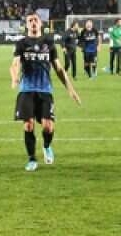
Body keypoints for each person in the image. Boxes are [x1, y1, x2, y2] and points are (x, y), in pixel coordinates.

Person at [11, 13, 80, 171]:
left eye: (35, 20)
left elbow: (58, 68)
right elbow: (14, 64)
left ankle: (47, 146)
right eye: (30, 20)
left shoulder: (48, 42)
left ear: (40, 23)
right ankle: (32, 159)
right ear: (26, 25)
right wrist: (14, 78)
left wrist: (71, 89)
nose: (33, 22)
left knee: (48, 126)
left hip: (45, 90)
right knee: (28, 125)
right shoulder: (21, 43)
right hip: (27, 90)